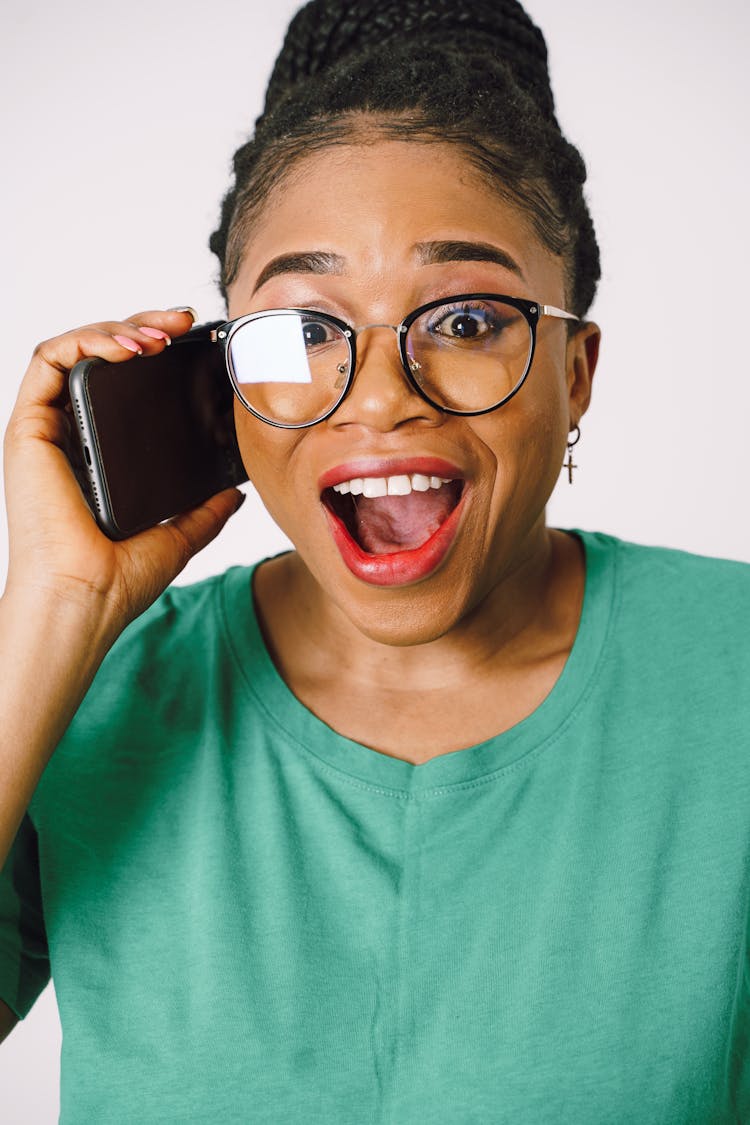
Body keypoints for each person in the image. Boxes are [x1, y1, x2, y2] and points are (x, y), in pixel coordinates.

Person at [1, 0, 748, 1120]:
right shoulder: (80, 698)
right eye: (304, 329)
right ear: (219, 391)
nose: (385, 395)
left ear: (575, 372)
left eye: (464, 319)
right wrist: (54, 608)